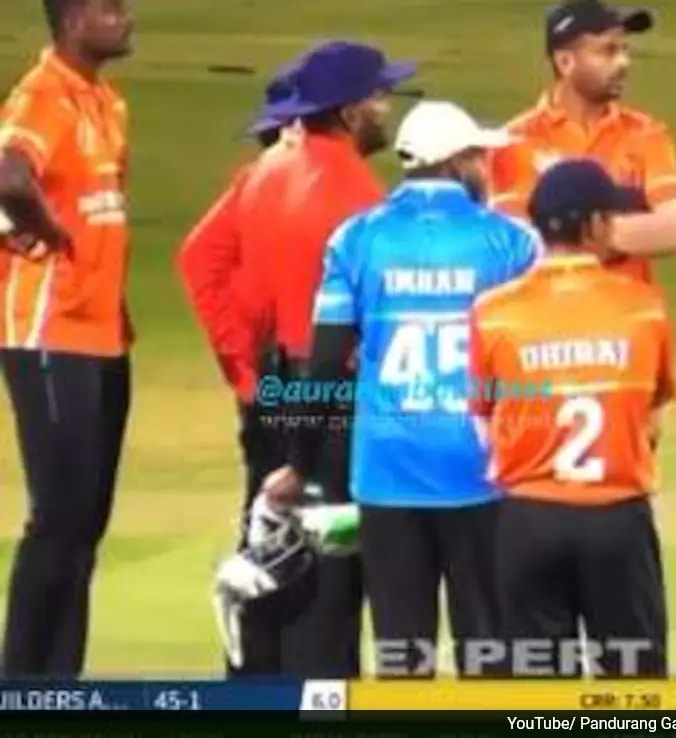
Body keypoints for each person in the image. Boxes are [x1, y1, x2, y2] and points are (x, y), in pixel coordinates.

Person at [259, 100, 539, 679]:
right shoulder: (512, 242)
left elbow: (325, 367)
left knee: (401, 655)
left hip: (388, 474)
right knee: (492, 653)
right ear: (458, 162)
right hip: (482, 471)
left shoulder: (356, 239)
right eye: (479, 158)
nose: (486, 169)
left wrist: (299, 465)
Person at [233, 39, 416, 678]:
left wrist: (245, 368)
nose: (387, 107)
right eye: (379, 95)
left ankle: (255, 698)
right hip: (334, 394)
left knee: (274, 561)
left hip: (277, 384)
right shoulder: (358, 195)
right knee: (330, 581)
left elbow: (215, 267)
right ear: (349, 111)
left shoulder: (266, 172)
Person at [470, 158, 676, 679]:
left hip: (528, 519)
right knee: (634, 685)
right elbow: (652, 419)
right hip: (617, 518)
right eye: (612, 216)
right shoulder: (644, 306)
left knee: (538, 689)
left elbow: (484, 423)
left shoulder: (493, 312)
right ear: (593, 226)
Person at [0, 0, 134, 677]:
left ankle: (61, 685)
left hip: (103, 334)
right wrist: (45, 231)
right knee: (58, 515)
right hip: (49, 330)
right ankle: (20, 684)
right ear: (75, 19)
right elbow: (8, 174)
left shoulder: (107, 102)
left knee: (85, 522)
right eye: (112, 8)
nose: (127, 17)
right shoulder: (42, 94)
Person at [176, 65, 305, 676]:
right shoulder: (261, 184)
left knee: (290, 533)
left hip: (291, 378)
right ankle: (254, 680)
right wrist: (244, 370)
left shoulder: (291, 186)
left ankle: (281, 675)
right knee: (275, 534)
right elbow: (199, 260)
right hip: (277, 384)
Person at [487, 0, 676, 284]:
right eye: (607, 51)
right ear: (565, 62)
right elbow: (514, 242)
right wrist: (624, 230)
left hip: (626, 308)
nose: (623, 62)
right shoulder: (514, 140)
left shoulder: (647, 133)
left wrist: (567, 233)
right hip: (547, 307)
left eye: (624, 50)